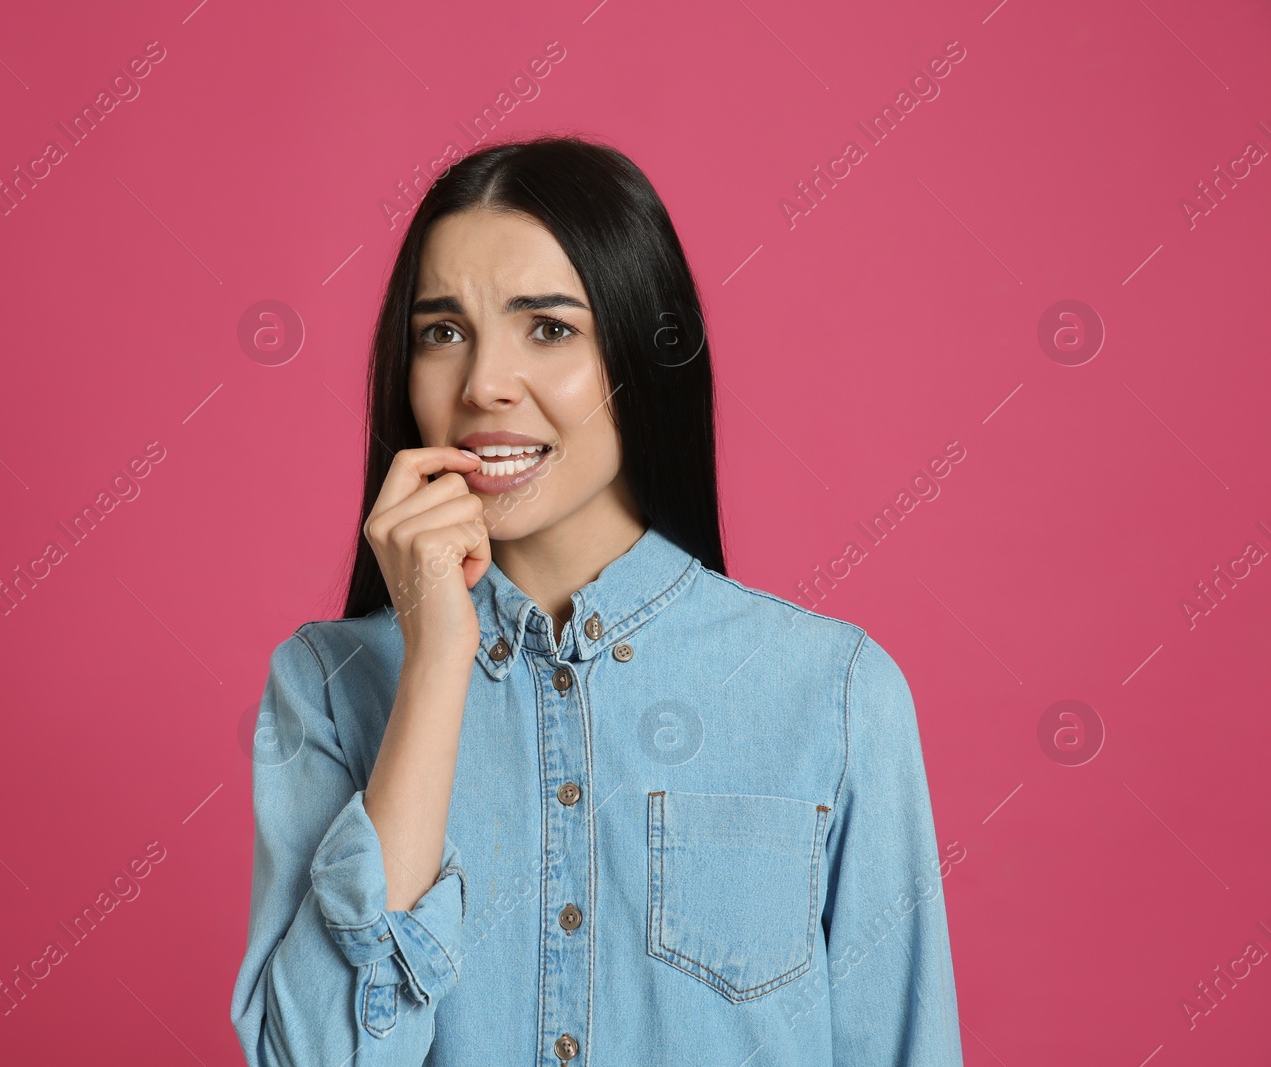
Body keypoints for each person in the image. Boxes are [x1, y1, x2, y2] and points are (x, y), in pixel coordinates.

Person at [229, 134, 964, 1065]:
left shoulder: (836, 692)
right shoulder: (328, 687)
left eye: (549, 327)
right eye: (442, 331)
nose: (484, 383)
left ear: (642, 351)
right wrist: (435, 666)